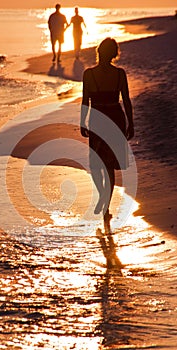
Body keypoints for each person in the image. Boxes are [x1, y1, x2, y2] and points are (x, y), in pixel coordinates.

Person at [80, 37, 134, 232]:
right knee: (108, 165)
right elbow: (126, 101)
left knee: (96, 164)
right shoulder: (120, 74)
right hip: (115, 119)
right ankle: (105, 201)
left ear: (99, 52)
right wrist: (130, 123)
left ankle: (104, 200)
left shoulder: (89, 74)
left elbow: (86, 100)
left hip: (97, 119)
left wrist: (82, 121)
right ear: (114, 54)